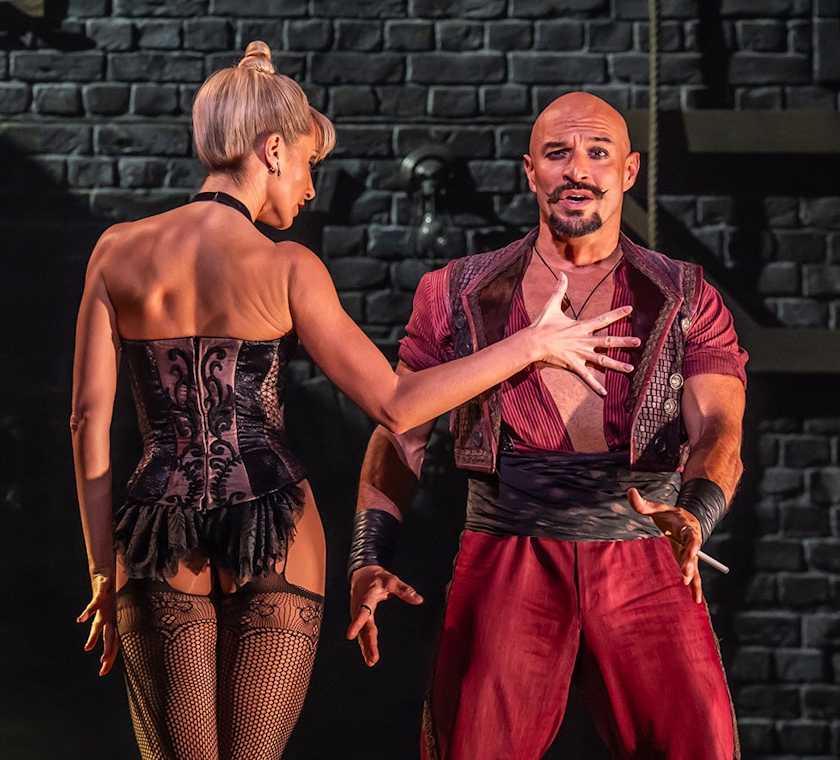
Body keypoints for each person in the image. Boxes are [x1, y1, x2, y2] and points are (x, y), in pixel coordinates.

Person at [70, 48, 639, 760]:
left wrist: (102, 565)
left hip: (157, 523)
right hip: (274, 518)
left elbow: (88, 421)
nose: (310, 187)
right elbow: (398, 405)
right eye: (308, 163)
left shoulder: (116, 251)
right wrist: (532, 345)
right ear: (272, 151)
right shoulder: (286, 267)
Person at [347, 91, 749, 759]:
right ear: (531, 171)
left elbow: (720, 431)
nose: (578, 170)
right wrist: (368, 556)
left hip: (647, 551)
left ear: (628, 171)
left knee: (698, 745)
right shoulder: (456, 291)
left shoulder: (685, 295)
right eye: (558, 154)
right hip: (508, 552)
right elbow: (401, 433)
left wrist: (697, 513)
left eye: (598, 153)